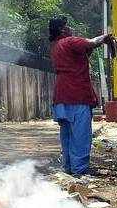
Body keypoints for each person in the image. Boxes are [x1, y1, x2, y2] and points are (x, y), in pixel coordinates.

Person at [48, 16, 112, 176]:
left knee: (67, 136)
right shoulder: (69, 41)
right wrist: (104, 37)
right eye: (68, 26)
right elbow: (90, 43)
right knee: (81, 136)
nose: (71, 29)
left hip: (61, 97)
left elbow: (83, 52)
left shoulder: (56, 46)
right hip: (76, 95)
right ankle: (80, 171)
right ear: (63, 30)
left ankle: (68, 167)